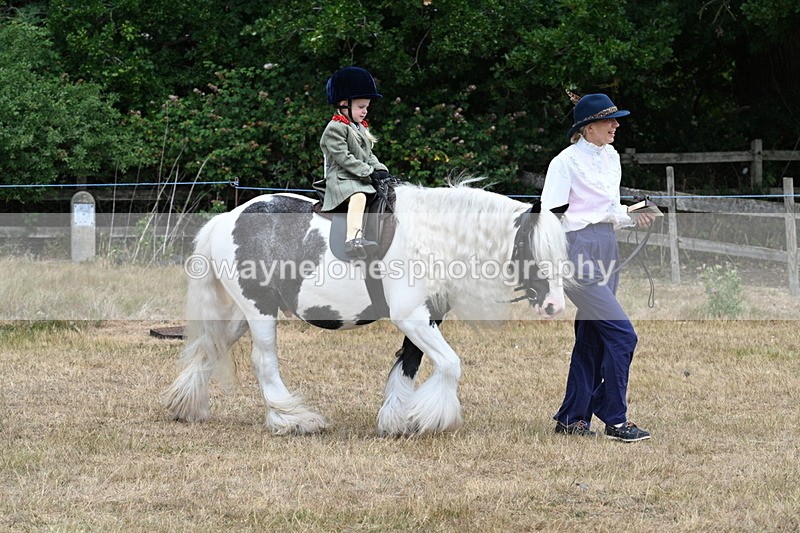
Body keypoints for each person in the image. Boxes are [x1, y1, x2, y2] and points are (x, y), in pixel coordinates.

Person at [540, 91, 655, 442]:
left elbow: (607, 209)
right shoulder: (564, 163)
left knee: (593, 338)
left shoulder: (612, 157)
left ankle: (573, 418)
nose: (616, 125)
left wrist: (633, 214)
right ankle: (615, 418)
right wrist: (554, 280)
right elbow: (550, 219)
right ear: (588, 128)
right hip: (577, 251)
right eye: (610, 120)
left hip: (607, 245)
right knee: (623, 334)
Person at [314, 66, 391, 259]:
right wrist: (368, 172)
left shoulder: (358, 128)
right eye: (360, 107)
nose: (365, 111)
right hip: (341, 178)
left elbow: (368, 155)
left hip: (357, 175)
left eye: (366, 107)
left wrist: (381, 169)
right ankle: (353, 240)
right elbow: (344, 158)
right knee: (359, 196)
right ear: (343, 104)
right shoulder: (334, 129)